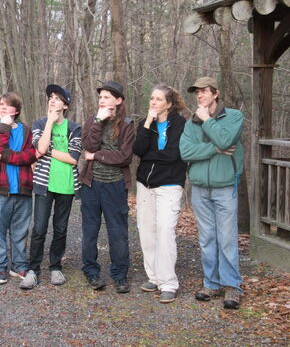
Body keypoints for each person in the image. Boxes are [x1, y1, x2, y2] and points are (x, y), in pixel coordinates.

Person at [179, 77, 244, 310]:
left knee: (226, 239)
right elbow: (185, 152)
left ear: (215, 93)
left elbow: (226, 138)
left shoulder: (233, 116)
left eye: (204, 91)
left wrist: (207, 120)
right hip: (199, 188)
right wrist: (215, 148)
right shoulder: (191, 123)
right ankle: (211, 283)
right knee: (207, 238)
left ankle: (232, 286)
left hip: (225, 186)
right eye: (197, 92)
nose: (199, 95)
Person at [20, 84, 81, 290]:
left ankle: (55, 267)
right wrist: (49, 125)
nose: (52, 101)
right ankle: (33, 270)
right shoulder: (39, 124)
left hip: (67, 185)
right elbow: (40, 148)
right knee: (39, 228)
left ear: (65, 105)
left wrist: (47, 151)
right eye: (50, 98)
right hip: (44, 184)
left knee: (60, 229)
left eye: (57, 98)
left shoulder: (74, 128)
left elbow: (73, 158)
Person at [133, 84, 188, 303]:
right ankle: (154, 277)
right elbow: (137, 151)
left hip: (169, 184)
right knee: (146, 230)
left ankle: (168, 283)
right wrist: (147, 123)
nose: (153, 102)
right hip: (145, 184)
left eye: (158, 99)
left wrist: (150, 154)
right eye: (151, 98)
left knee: (165, 230)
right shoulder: (145, 124)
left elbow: (173, 155)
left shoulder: (179, 124)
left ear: (169, 104)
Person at [79, 81, 135, 294]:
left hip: (115, 185)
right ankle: (91, 271)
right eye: (100, 97)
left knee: (117, 232)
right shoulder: (92, 120)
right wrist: (98, 123)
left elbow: (124, 157)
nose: (102, 100)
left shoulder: (127, 125)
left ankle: (120, 275)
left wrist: (97, 156)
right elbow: (88, 146)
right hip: (91, 184)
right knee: (90, 230)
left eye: (106, 97)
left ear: (118, 101)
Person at [0, 92, 37, 285]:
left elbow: (31, 155)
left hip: (22, 188)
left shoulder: (25, 130)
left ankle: (19, 264)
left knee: (21, 230)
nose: (3, 108)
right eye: (1, 105)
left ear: (17, 110)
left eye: (8, 105)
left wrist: (7, 156)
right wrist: (4, 126)